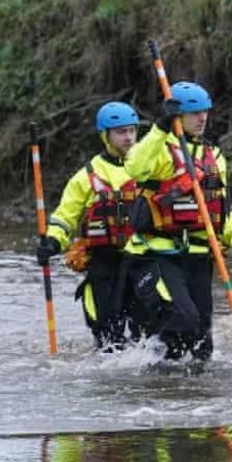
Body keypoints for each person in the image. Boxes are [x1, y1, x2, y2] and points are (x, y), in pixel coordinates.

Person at [124, 81, 232, 361]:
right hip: (160, 252)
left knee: (201, 342)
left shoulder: (215, 156)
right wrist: (160, 128)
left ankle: (180, 386)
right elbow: (135, 167)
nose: (202, 118)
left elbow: (220, 209)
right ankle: (149, 356)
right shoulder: (161, 146)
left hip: (199, 254)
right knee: (183, 317)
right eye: (194, 113)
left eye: (205, 112)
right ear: (178, 116)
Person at [36, 101, 141, 350]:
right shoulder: (85, 177)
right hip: (103, 264)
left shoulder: (148, 169)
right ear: (106, 136)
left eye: (132, 131)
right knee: (107, 340)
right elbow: (65, 217)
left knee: (146, 338)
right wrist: (52, 241)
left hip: (141, 261)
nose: (128, 137)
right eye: (120, 132)